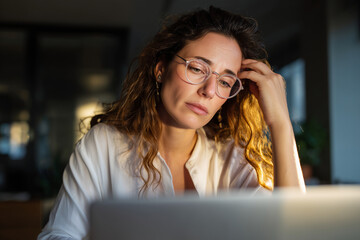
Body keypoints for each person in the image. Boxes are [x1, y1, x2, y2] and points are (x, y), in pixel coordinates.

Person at [38, 6, 305, 240]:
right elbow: (59, 234)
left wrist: (280, 123)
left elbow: (295, 232)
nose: (209, 90)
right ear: (161, 69)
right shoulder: (104, 144)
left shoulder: (231, 157)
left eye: (225, 81)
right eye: (198, 68)